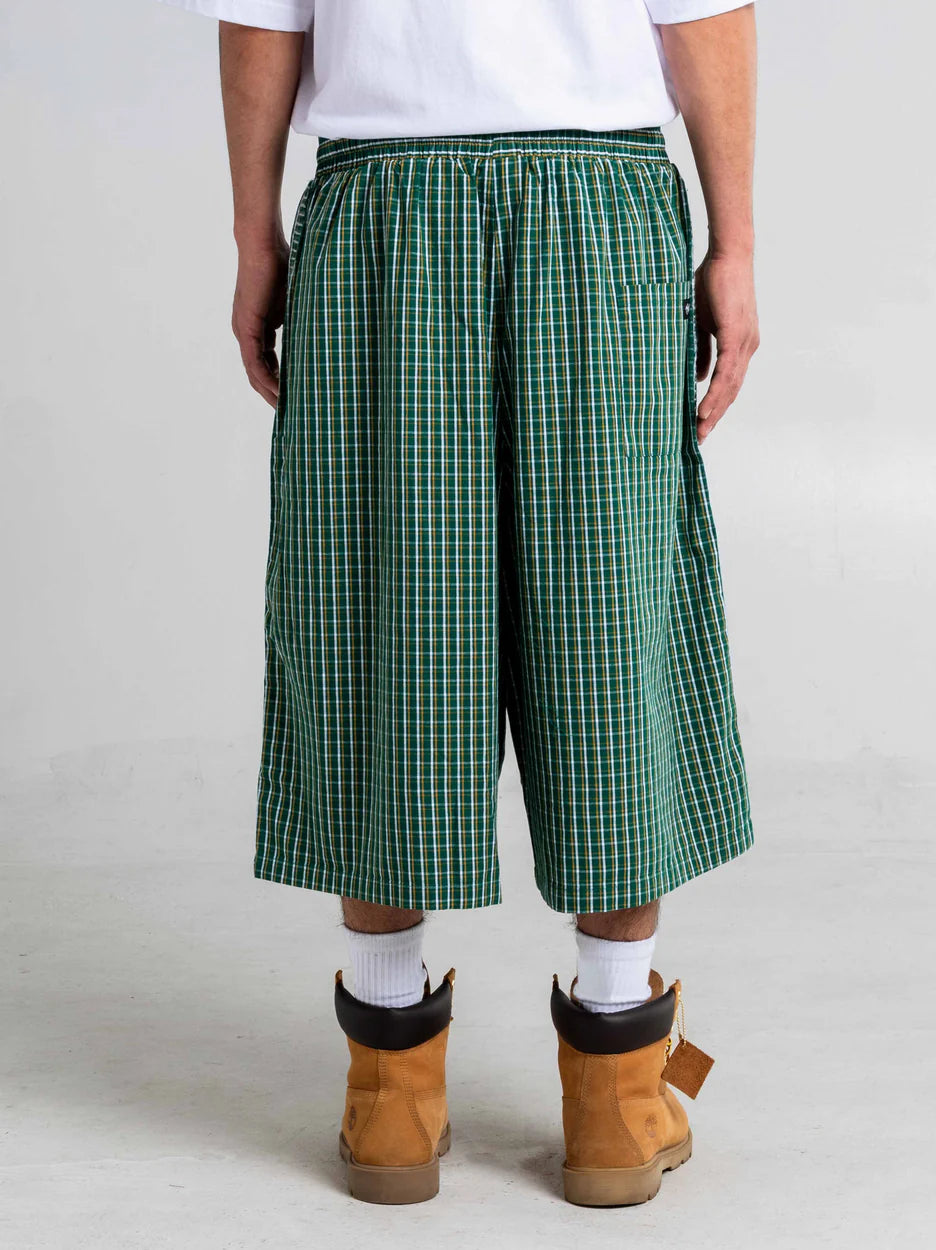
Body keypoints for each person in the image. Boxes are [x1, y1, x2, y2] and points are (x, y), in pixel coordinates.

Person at [158, 0, 758, 1208]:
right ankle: (617, 1093)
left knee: (387, 622)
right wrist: (734, 241)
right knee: (607, 620)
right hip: (596, 207)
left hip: (383, 208)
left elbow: (263, 19)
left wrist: (254, 235)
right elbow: (701, 12)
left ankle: (390, 1093)